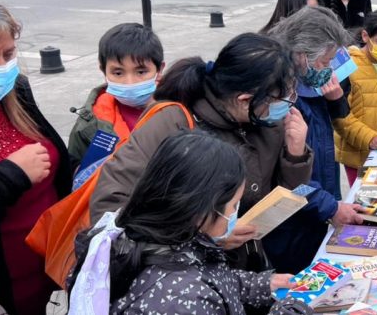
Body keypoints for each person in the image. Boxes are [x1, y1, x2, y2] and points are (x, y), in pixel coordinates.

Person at [89, 33, 315, 275]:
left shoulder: (267, 121)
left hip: (246, 270)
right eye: (282, 97)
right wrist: (207, 237)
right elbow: (109, 209)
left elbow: (283, 198)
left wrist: (295, 154)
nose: (289, 103)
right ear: (244, 100)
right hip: (182, 278)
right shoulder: (172, 123)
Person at [69, 132, 307, 315]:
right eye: (234, 205)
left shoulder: (153, 234)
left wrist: (263, 284)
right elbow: (192, 286)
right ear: (200, 210)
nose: (236, 213)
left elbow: (210, 276)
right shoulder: (180, 299)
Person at [268, 7, 366, 272]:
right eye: (324, 62)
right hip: (292, 223)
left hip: (315, 208)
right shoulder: (284, 100)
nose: (328, 69)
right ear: (301, 56)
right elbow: (291, 178)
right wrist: (331, 207)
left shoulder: (309, 86)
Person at [0, 6, 75, 314]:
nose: (2, 67)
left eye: (7, 53)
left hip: (54, 266)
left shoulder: (16, 92)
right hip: (12, 288)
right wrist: (11, 174)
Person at [68, 23, 165, 165]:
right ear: (104, 71)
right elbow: (75, 175)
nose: (129, 82)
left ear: (159, 69)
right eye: (118, 73)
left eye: (141, 72)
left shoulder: (180, 111)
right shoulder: (89, 125)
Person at [333, 10, 377, 186]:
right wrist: (369, 138)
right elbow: (339, 115)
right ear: (366, 36)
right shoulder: (346, 65)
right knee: (360, 200)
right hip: (355, 153)